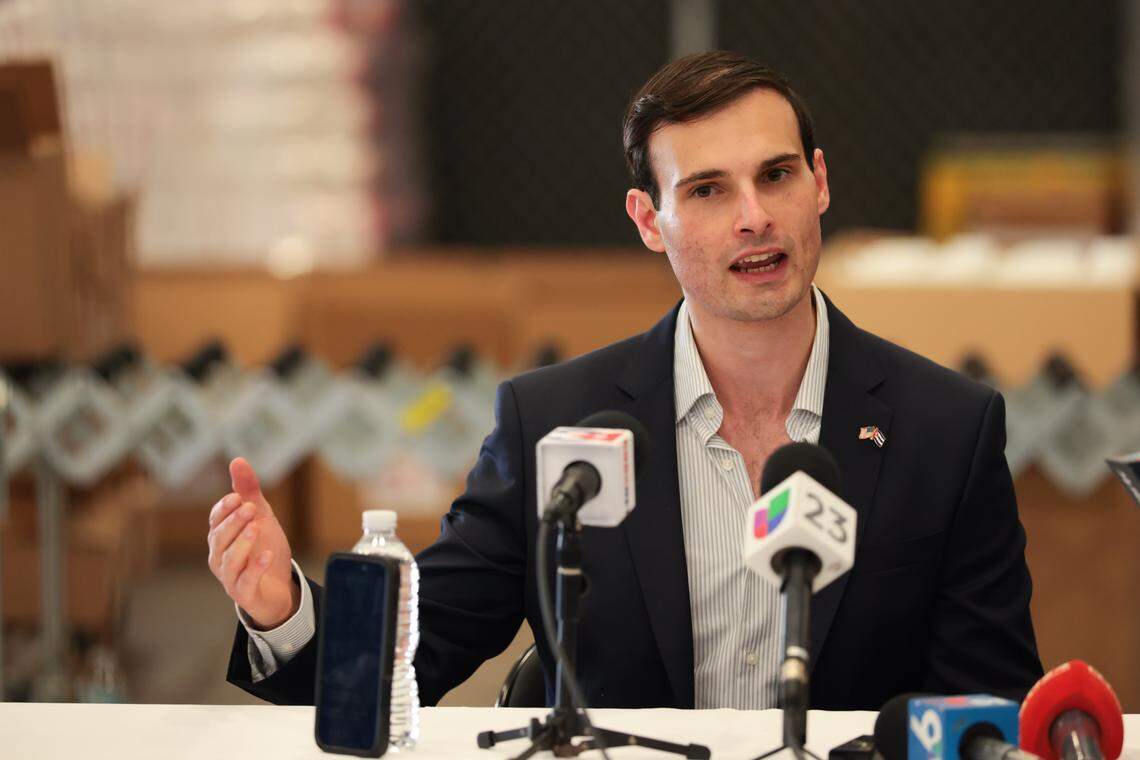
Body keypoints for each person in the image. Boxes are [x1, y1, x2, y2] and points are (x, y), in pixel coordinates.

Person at [208, 51, 1042, 710]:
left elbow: (993, 708)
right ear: (650, 220)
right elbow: (413, 659)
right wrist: (286, 609)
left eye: (776, 176)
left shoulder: (947, 429)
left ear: (819, 183)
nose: (754, 215)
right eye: (709, 190)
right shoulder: (554, 422)